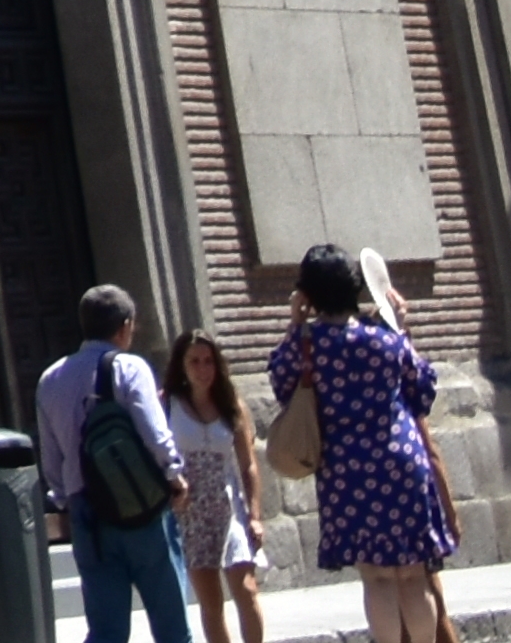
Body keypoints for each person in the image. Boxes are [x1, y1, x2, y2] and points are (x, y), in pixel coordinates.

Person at [273, 241, 457, 643]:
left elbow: (282, 385)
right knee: (412, 574)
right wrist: (399, 327)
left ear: (308, 293)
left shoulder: (308, 345)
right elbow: (422, 388)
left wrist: (295, 323)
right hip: (402, 459)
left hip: (346, 469)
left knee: (377, 579)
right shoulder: (385, 339)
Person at [40, 282, 200, 643]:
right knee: (173, 628)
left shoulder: (50, 380)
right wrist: (175, 475)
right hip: (142, 508)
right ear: (125, 325)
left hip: (88, 515)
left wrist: (67, 502)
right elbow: (154, 432)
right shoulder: (130, 368)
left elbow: (51, 458)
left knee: (106, 632)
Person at [165, 329, 273, 643]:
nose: (202, 369)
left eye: (208, 361)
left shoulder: (231, 405)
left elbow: (248, 464)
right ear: (182, 366)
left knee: (247, 590)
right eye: (194, 362)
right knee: (211, 603)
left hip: (229, 508)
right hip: (190, 513)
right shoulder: (168, 404)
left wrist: (254, 514)